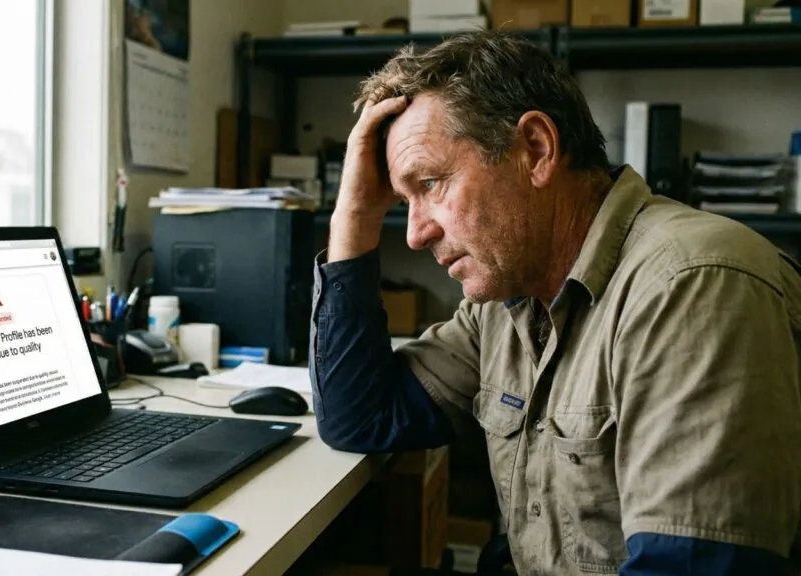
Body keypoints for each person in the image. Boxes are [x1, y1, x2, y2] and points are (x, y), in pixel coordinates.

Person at [308, 30, 801, 575]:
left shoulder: (689, 286)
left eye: (430, 183)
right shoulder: (507, 301)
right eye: (404, 202)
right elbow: (361, 418)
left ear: (536, 150)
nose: (416, 234)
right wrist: (354, 215)